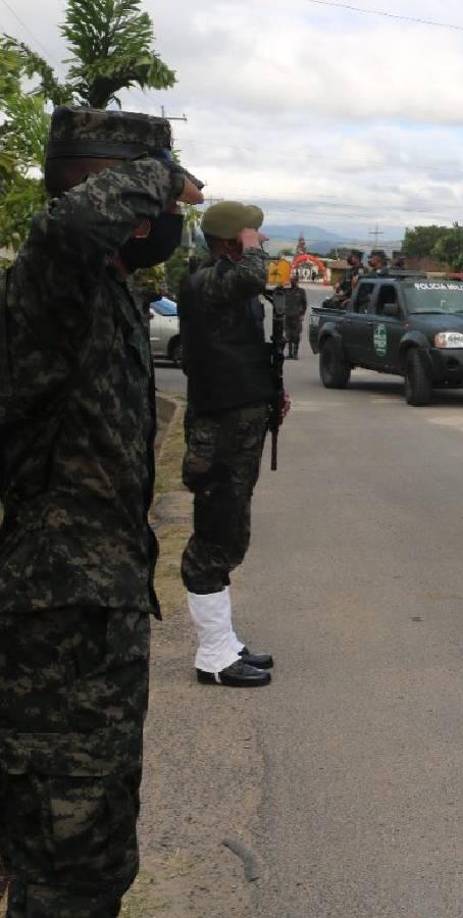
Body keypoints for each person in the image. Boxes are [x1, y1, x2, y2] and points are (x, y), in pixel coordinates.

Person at [0, 106, 203, 917]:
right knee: (68, 865)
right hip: (57, 625)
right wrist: (163, 171)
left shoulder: (106, 290)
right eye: (160, 200)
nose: (173, 215)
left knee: (94, 845)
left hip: (90, 620)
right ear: (118, 196)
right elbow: (67, 227)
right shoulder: (53, 282)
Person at [178, 201, 288, 689]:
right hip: (219, 430)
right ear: (229, 242)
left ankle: (224, 641)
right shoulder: (208, 280)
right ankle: (213, 656)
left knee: (230, 532)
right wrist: (250, 249)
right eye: (250, 234)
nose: (259, 240)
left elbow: (239, 349)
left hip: (238, 422)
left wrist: (269, 393)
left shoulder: (226, 282)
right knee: (215, 535)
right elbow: (252, 275)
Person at [283, 276, 309, 359]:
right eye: (291, 280)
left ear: (297, 281)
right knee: (288, 335)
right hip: (287, 315)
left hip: (297, 316)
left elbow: (304, 304)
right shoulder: (286, 290)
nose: (292, 282)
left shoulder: (301, 291)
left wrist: (302, 315)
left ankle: (295, 354)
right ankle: (290, 353)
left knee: (296, 335)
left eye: (294, 281)